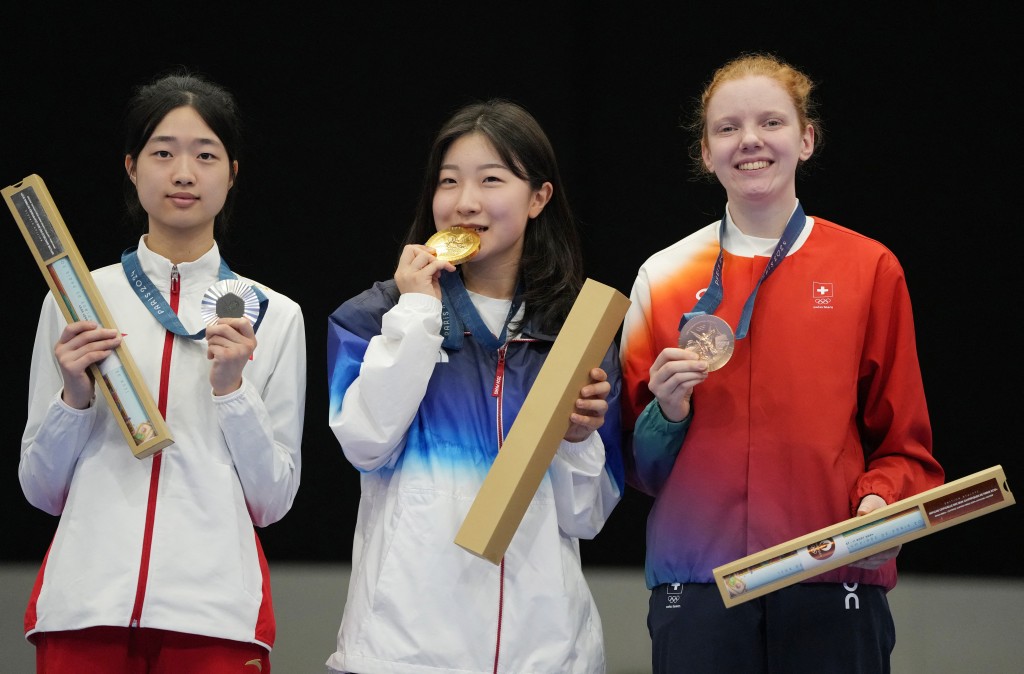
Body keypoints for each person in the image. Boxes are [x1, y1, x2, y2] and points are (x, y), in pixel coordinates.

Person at [619, 52, 944, 673]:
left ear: (807, 138)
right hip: (699, 585)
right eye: (726, 128)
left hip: (833, 578)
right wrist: (668, 411)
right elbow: (639, 466)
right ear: (706, 152)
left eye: (770, 122)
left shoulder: (869, 268)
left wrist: (881, 503)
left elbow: (906, 448)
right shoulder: (661, 277)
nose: (750, 142)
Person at [19, 70, 306, 673]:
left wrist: (232, 392)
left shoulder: (275, 315)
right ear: (131, 166)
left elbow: (272, 499)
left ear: (232, 172)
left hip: (213, 616)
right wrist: (74, 397)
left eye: (206, 155)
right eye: (163, 153)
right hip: (85, 607)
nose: (183, 173)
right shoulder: (75, 300)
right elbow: (41, 490)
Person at [326, 98, 623, 673]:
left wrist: (577, 438)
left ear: (539, 198)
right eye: (449, 182)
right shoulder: (371, 317)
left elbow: (585, 517)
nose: (465, 202)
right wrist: (415, 313)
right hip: (403, 651)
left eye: (492, 179)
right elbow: (365, 444)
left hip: (546, 653)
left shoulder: (577, 332)